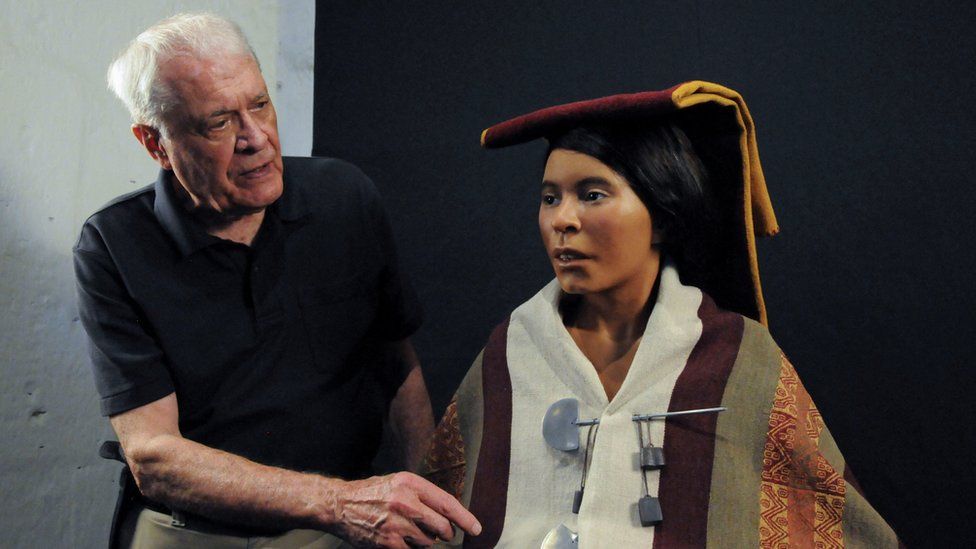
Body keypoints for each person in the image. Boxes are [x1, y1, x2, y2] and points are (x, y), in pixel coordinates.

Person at [423, 82, 901, 547]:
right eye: (550, 198)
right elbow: (438, 506)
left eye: (592, 194)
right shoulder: (513, 349)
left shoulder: (736, 356)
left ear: (663, 217)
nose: (562, 220)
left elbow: (819, 517)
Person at [74, 12, 479, 549]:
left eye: (259, 104)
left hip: (344, 521)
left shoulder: (343, 197)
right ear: (155, 143)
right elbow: (154, 456)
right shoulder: (112, 245)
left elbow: (395, 359)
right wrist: (340, 504)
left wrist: (425, 492)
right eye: (218, 122)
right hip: (194, 528)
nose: (256, 138)